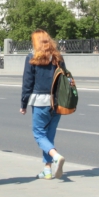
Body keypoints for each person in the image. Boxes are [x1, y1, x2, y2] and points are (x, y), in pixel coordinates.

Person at [20, 29, 67, 180]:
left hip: (40, 102)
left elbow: (27, 83)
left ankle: (55, 156)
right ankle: (47, 170)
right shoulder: (57, 57)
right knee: (49, 136)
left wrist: (23, 103)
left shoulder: (31, 58)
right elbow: (64, 79)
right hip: (57, 102)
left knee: (39, 133)